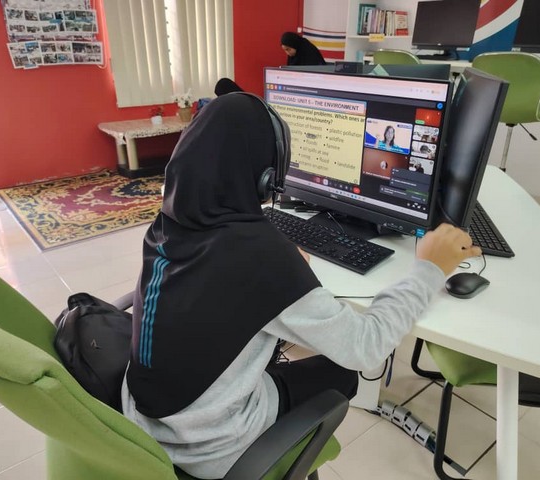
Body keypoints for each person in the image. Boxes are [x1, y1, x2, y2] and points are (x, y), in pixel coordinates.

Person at [121, 93, 481, 479]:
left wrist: (283, 274)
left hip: (145, 421)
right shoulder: (260, 255)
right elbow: (366, 346)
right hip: (208, 446)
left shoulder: (170, 220)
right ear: (266, 178)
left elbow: (220, 291)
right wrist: (429, 268)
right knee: (343, 372)